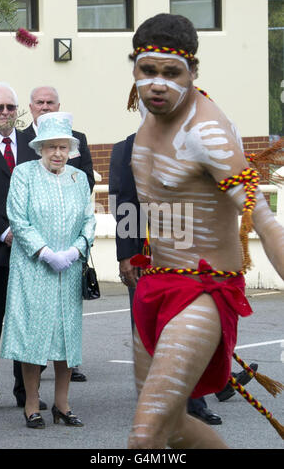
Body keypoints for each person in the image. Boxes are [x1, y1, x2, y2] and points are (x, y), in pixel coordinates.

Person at [116, 14, 284, 449]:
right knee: (169, 428)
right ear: (134, 66)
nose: (157, 84)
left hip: (203, 292)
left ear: (193, 73)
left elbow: (262, 218)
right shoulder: (148, 117)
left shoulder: (207, 132)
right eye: (147, 70)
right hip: (155, 287)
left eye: (171, 74)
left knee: (143, 440)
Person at [110, 135, 258, 426]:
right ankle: (171, 399)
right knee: (156, 329)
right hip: (151, 257)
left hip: (196, 253)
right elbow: (125, 203)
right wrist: (128, 254)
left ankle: (203, 392)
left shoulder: (194, 137)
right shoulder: (126, 148)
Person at [0, 111, 96, 428]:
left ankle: (62, 404)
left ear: (71, 150)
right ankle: (31, 403)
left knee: (66, 337)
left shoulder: (78, 178)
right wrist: (44, 251)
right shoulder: (25, 174)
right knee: (33, 336)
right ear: (40, 147)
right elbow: (18, 217)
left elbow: (89, 219)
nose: (57, 153)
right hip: (32, 268)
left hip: (68, 268)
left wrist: (75, 250)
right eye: (51, 147)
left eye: (63, 147)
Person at [0, 82, 40, 407]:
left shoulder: (33, 145)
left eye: (11, 107)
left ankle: (27, 394)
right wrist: (4, 232)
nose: (6, 113)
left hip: (30, 255)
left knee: (28, 326)